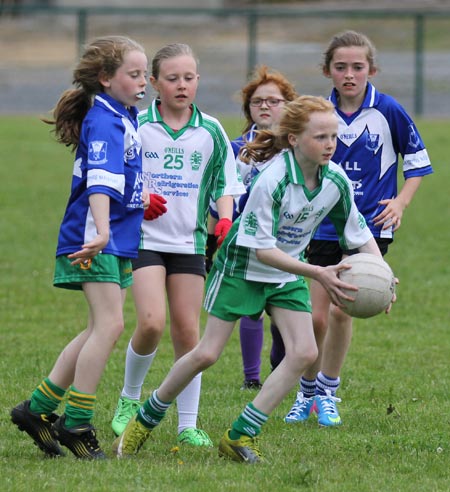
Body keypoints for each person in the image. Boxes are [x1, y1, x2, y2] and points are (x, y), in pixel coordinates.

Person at [112, 95, 392, 464]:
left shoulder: (335, 180)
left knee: (306, 352)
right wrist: (319, 274)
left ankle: (241, 433)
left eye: (333, 137)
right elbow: (263, 251)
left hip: (288, 271)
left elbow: (358, 234)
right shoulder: (272, 180)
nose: (330, 145)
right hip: (243, 268)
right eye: (320, 137)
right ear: (293, 139)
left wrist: (385, 278)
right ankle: (146, 417)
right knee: (207, 353)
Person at [10, 35, 153, 459]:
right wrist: (104, 232)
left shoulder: (121, 114)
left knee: (99, 327)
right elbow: (100, 181)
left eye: (145, 73)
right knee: (109, 327)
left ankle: (36, 410)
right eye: (134, 73)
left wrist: (139, 198)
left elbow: (118, 177)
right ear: (106, 78)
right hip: (95, 237)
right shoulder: (106, 120)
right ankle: (76, 421)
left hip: (113, 236)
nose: (143, 81)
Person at [282, 30, 433, 426]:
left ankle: (327, 392)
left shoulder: (388, 111)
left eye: (358, 67)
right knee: (313, 317)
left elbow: (417, 162)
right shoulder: (317, 113)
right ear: (328, 71)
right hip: (319, 226)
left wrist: (400, 202)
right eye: (341, 67)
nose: (349, 74)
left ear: (372, 70)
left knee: (340, 311)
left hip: (369, 227)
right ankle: (307, 392)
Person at [110, 43, 245, 447]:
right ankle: (128, 401)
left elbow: (225, 182)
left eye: (189, 78)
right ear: (153, 83)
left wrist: (224, 217)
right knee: (151, 322)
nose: (182, 85)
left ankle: (188, 424)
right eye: (172, 79)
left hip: (190, 242)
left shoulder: (212, 130)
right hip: (145, 239)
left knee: (189, 335)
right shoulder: (137, 125)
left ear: (198, 81)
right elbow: (113, 176)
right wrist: (138, 198)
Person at [206, 65, 298, 390]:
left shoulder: (297, 150)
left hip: (286, 239)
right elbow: (221, 195)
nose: (264, 106)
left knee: (284, 308)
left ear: (289, 105)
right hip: (244, 240)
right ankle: (251, 378)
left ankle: (281, 366)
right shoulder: (235, 149)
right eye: (257, 101)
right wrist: (216, 232)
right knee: (250, 309)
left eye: (273, 101)